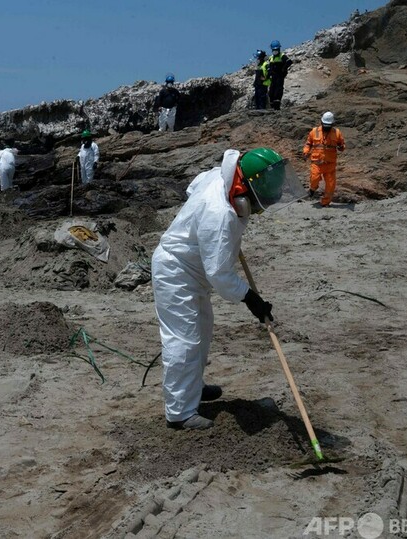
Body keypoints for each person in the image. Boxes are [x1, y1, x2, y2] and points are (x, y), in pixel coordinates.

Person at [152, 148, 283, 430]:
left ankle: (192, 388)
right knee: (183, 339)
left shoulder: (217, 178)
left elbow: (192, 187)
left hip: (193, 271)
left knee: (202, 330)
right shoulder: (219, 215)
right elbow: (220, 276)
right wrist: (251, 298)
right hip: (176, 272)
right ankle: (180, 413)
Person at [303, 111, 345, 207]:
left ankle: (325, 203)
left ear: (332, 124)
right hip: (317, 162)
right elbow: (308, 143)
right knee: (314, 178)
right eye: (325, 125)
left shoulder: (337, 133)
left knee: (330, 185)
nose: (326, 127)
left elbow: (342, 145)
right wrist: (305, 152)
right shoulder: (314, 131)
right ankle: (313, 189)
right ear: (321, 123)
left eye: (328, 125)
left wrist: (341, 147)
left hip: (330, 164)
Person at [267, 40, 293, 110]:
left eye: (276, 49)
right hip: (273, 77)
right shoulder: (271, 57)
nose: (275, 51)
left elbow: (289, 62)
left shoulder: (282, 56)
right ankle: (272, 105)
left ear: (279, 49)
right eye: (274, 49)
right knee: (271, 91)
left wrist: (283, 69)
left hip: (279, 76)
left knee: (278, 90)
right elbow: (269, 66)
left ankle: (277, 106)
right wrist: (269, 73)